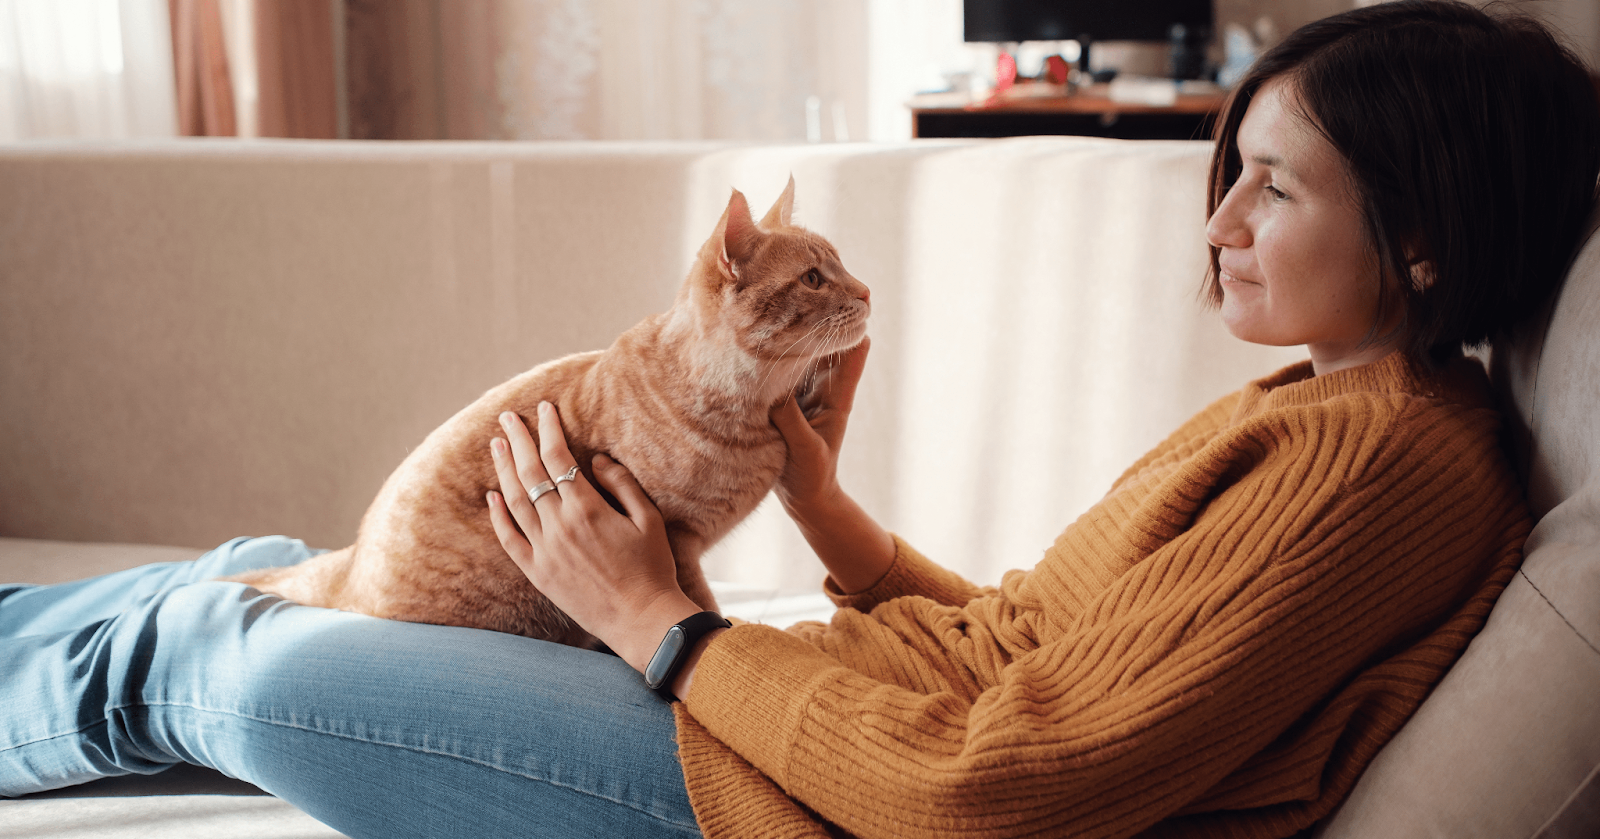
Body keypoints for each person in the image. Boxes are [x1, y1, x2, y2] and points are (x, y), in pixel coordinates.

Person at [3, 1, 1597, 836]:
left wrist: (662, 627)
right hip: (808, 726)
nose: (1221, 215)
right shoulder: (1334, 406)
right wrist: (830, 516)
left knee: (236, 655)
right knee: (298, 564)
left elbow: (1007, 786)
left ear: (1426, 234)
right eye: (1230, 166)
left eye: (1276, 183)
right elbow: (1049, 659)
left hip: (782, 795)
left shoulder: (1388, 465)